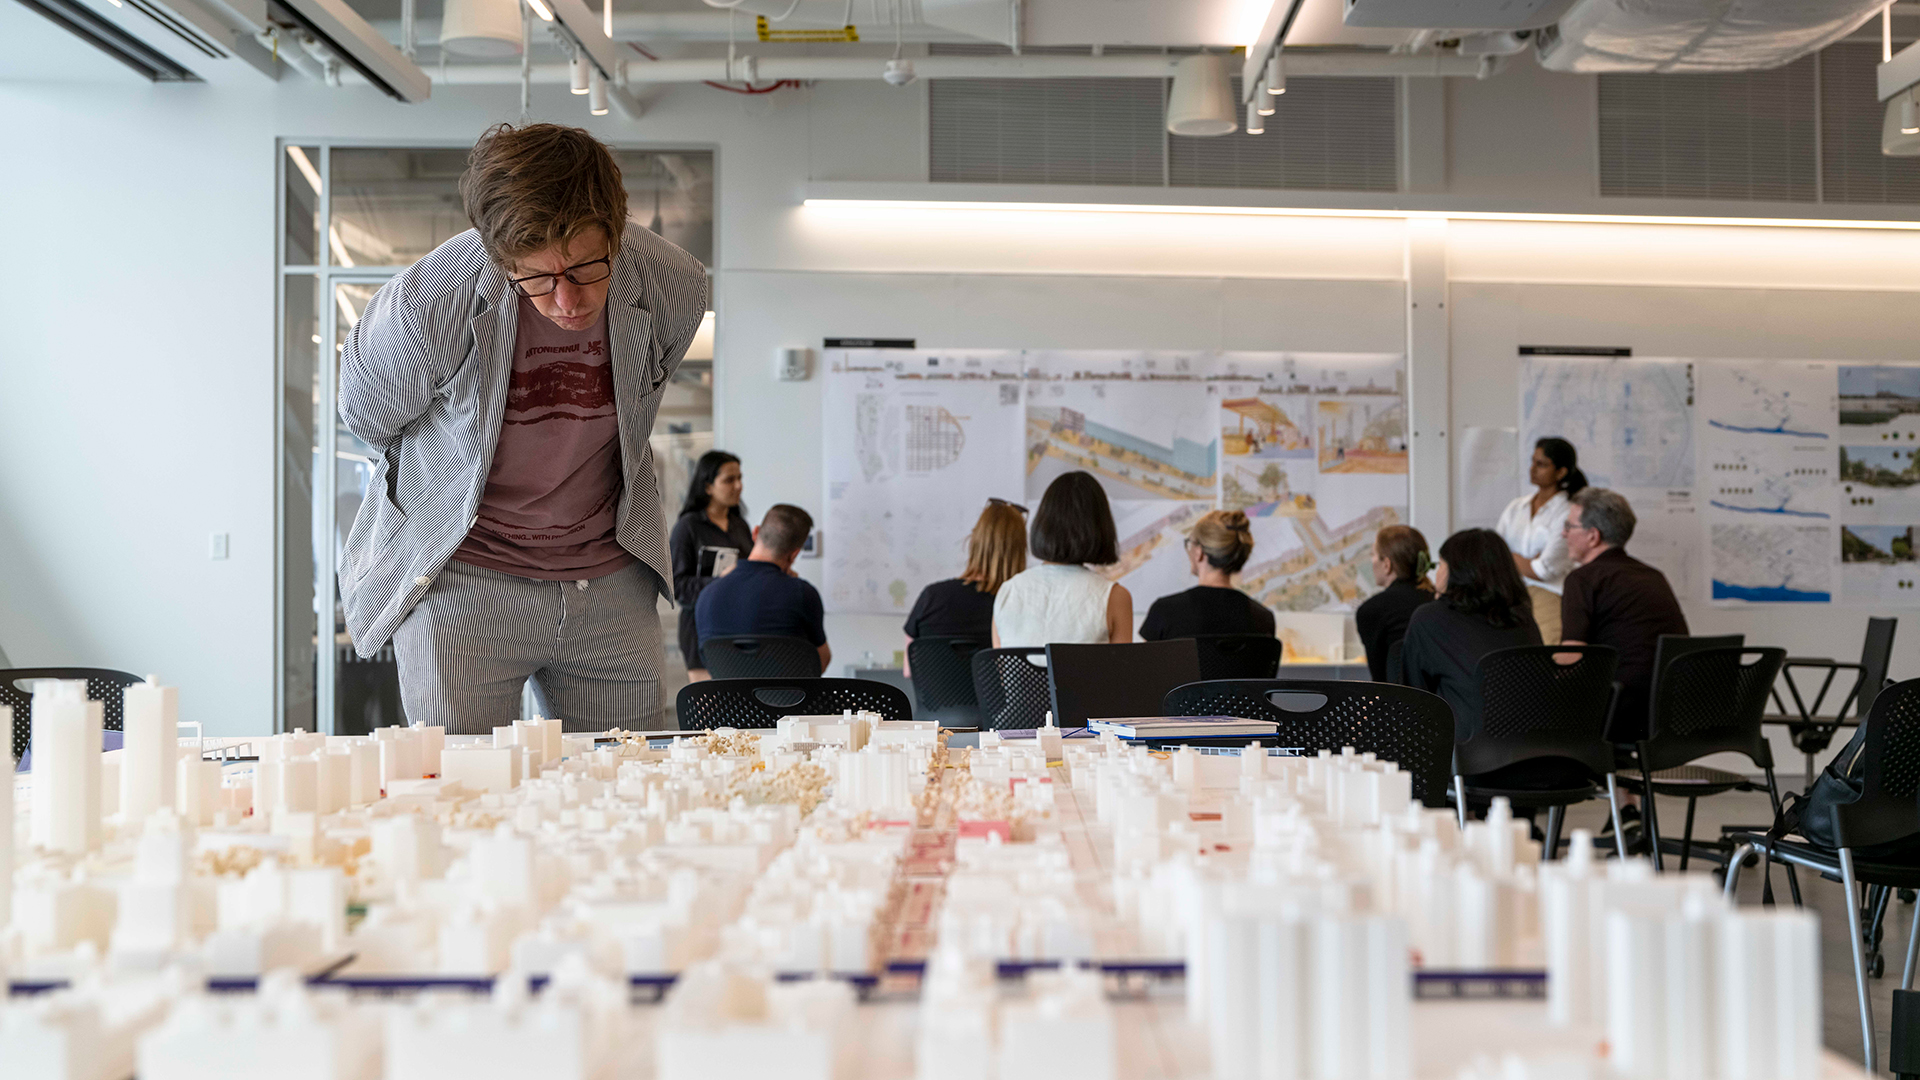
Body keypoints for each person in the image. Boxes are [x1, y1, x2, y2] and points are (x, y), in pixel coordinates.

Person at [338, 123, 708, 734]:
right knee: (461, 791)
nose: (566, 300)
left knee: (623, 785)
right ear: (500, 258)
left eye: (588, 268)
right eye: (536, 279)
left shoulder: (673, 286)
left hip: (608, 576)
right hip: (466, 579)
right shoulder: (433, 299)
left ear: (616, 232)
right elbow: (369, 416)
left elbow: (640, 402)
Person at [1400, 530, 1545, 777]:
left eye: (1441, 564)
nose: (1436, 574)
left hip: (1471, 762)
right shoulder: (1523, 619)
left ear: (1455, 572)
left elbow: (1412, 700)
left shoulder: (1430, 618)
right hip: (1539, 759)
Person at [1559, 487, 1689, 744]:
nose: (1563, 534)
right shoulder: (1653, 576)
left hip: (1617, 712)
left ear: (1593, 536)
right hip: (1670, 711)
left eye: (1569, 526)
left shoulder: (1582, 579)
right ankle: (1622, 784)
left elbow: (1571, 660)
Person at [993, 472, 1132, 647]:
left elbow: (1000, 672)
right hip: (1084, 676)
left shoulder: (1007, 592)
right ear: (1101, 526)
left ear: (1043, 522)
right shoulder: (1115, 597)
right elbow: (1120, 672)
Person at [694, 504, 830, 672]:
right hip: (787, 697)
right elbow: (821, 662)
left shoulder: (707, 595)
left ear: (755, 532)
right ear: (794, 554)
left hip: (730, 697)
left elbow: (709, 663)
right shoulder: (802, 593)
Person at [902, 499, 1028, 675]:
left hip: (936, 703)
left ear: (973, 541)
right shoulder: (1020, 604)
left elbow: (909, 670)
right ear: (1020, 551)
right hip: (996, 703)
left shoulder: (932, 597)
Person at [669, 451, 752, 682]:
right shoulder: (688, 527)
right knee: (710, 711)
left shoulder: (740, 526)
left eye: (739, 478)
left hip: (739, 627)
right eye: (729, 480)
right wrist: (720, 582)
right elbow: (677, 585)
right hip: (701, 630)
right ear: (707, 487)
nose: (738, 486)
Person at [1495, 437, 1585, 643]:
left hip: (1549, 596)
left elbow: (1545, 570)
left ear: (1561, 472)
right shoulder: (1517, 506)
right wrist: (1525, 562)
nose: (1533, 469)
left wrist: (1511, 559)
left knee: (1543, 660)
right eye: (1533, 462)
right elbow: (1493, 554)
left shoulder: (1568, 511)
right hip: (1512, 597)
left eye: (1541, 464)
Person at [1139, 510, 1275, 641]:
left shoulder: (1165, 611)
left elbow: (1146, 664)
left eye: (1190, 543)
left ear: (1199, 553)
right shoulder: (1264, 618)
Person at [1354, 524, 1435, 682]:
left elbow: (1380, 681)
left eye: (1373, 555)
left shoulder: (1371, 611)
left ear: (1387, 564)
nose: (1371, 561)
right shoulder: (1440, 601)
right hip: (1442, 705)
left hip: (1397, 704)